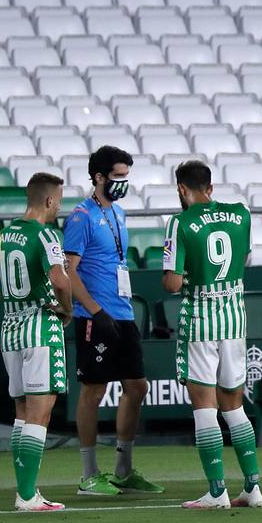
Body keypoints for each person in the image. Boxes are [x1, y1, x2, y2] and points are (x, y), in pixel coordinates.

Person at [161, 161, 261, 510]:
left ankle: (217, 491)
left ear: (181, 190)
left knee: (205, 407)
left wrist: (179, 274)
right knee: (234, 405)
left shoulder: (180, 222)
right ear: (211, 187)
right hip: (234, 318)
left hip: (200, 319)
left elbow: (173, 283)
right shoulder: (241, 213)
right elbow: (244, 256)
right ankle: (253, 487)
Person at [64, 146, 162, 498]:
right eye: (118, 176)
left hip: (122, 313)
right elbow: (68, 272)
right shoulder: (81, 216)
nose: (123, 183)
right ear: (99, 177)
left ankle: (123, 469)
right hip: (96, 315)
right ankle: (89, 474)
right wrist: (94, 310)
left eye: (126, 176)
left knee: (137, 387)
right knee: (93, 390)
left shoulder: (118, 214)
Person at [0, 172, 72, 513]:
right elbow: (59, 279)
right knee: (40, 414)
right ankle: (27, 495)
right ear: (48, 201)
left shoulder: (4, 234)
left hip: (9, 328)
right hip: (39, 326)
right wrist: (67, 309)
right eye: (58, 200)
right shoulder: (44, 235)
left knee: (22, 413)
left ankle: (26, 489)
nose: (59, 206)